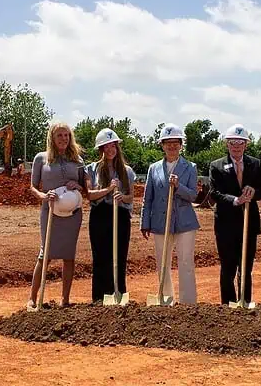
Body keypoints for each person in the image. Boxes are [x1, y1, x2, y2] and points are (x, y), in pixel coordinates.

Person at [27, 121, 87, 309]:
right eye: (59, 135)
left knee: (69, 255)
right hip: (50, 211)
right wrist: (44, 196)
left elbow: (85, 187)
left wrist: (78, 186)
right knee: (45, 254)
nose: (63, 139)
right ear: (52, 138)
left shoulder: (78, 160)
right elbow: (33, 186)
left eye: (66, 135)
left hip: (73, 214)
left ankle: (65, 299)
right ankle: (32, 298)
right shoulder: (41, 158)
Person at [140, 123, 200, 304]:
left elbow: (192, 195)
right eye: (168, 143)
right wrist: (145, 222)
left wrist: (178, 186)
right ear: (162, 145)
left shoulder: (190, 167)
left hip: (185, 222)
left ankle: (188, 303)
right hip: (160, 221)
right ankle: (166, 298)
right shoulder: (154, 168)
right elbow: (147, 197)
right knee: (163, 263)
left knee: (186, 262)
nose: (172, 146)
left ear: (181, 144)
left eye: (176, 142)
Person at [208, 124, 261, 307]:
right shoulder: (216, 166)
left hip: (248, 224)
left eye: (240, 143)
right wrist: (235, 200)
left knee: (246, 268)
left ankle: (245, 301)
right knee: (228, 267)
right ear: (227, 144)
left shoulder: (256, 164)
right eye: (233, 143)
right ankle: (228, 304)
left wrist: (254, 191)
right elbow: (214, 192)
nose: (236, 147)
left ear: (246, 145)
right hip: (225, 225)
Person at [85, 128, 137, 304]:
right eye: (106, 147)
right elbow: (90, 194)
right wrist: (107, 189)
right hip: (100, 216)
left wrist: (122, 197)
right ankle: (99, 297)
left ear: (117, 147)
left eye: (113, 145)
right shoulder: (91, 169)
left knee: (119, 256)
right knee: (100, 257)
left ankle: (119, 293)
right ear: (101, 149)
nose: (110, 150)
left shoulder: (127, 171)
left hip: (120, 215)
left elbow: (132, 197)